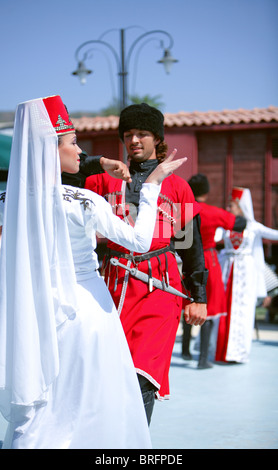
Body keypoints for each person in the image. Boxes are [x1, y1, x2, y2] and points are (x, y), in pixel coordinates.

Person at [0, 95, 186, 449]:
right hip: (87, 310)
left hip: (36, 311)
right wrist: (152, 187)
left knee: (46, 404)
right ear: (50, 150)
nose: (79, 152)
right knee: (94, 401)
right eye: (73, 143)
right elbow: (140, 240)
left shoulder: (9, 201)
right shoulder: (84, 200)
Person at [85, 103, 208, 424]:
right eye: (128, 134)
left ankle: (135, 445)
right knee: (107, 372)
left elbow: (189, 246)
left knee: (143, 374)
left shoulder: (178, 187)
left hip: (160, 287)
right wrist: (98, 162)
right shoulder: (102, 181)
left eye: (142, 133)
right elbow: (64, 171)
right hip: (111, 287)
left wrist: (199, 297)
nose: (134, 140)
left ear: (157, 138)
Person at [181, 174, 246, 368]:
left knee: (188, 302)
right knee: (207, 307)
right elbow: (239, 224)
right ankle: (202, 359)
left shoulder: (184, 210)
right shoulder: (214, 212)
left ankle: (185, 350)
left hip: (187, 260)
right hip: (208, 259)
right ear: (207, 192)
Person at [215, 186, 278, 363]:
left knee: (243, 310)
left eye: (232, 205)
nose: (229, 208)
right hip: (227, 271)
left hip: (245, 274)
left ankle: (238, 353)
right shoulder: (226, 224)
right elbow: (212, 235)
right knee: (224, 310)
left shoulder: (254, 227)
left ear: (241, 206)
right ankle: (221, 351)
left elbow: (273, 234)